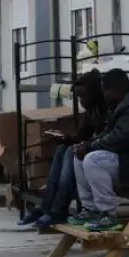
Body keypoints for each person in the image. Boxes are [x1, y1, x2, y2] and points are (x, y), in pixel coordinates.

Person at [68, 68, 129, 232]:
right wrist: (85, 146)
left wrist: (89, 147)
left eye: (105, 91)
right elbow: (107, 134)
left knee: (92, 160)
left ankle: (108, 213)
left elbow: (120, 138)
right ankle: (90, 209)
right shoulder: (121, 102)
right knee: (79, 156)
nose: (103, 95)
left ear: (116, 89)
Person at [18, 69, 108, 227]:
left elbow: (107, 138)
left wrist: (79, 144)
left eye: (82, 96)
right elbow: (81, 136)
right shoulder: (91, 111)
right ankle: (47, 206)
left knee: (69, 153)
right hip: (93, 149)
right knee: (62, 149)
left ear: (94, 93)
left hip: (102, 153)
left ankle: (58, 209)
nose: (80, 101)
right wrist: (64, 138)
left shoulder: (106, 110)